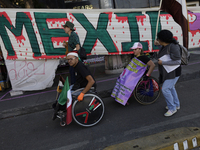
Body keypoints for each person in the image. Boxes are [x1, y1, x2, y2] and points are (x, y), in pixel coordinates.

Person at [52, 52, 96, 120]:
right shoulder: (74, 66)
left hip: (86, 87)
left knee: (66, 95)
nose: (69, 61)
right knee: (63, 91)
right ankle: (59, 107)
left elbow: (91, 81)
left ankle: (61, 109)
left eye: (71, 59)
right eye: (68, 59)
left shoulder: (80, 67)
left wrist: (82, 93)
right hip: (79, 85)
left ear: (77, 59)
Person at [154, 29, 181, 117]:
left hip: (173, 72)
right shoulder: (165, 45)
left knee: (165, 89)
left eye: (158, 39)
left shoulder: (173, 46)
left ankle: (172, 108)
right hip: (168, 71)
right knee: (171, 88)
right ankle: (176, 105)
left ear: (163, 40)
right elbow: (164, 54)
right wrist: (158, 46)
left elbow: (178, 61)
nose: (157, 40)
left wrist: (163, 63)